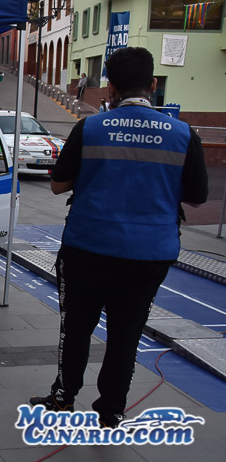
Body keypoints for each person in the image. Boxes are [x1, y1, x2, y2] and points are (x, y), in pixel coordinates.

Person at [29, 47, 209, 428]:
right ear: (153, 84)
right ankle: (111, 410)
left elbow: (58, 185)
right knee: (127, 332)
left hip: (88, 249)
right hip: (150, 254)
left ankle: (63, 397)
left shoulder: (90, 128)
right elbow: (196, 197)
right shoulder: (182, 135)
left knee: (76, 327)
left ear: (110, 87)